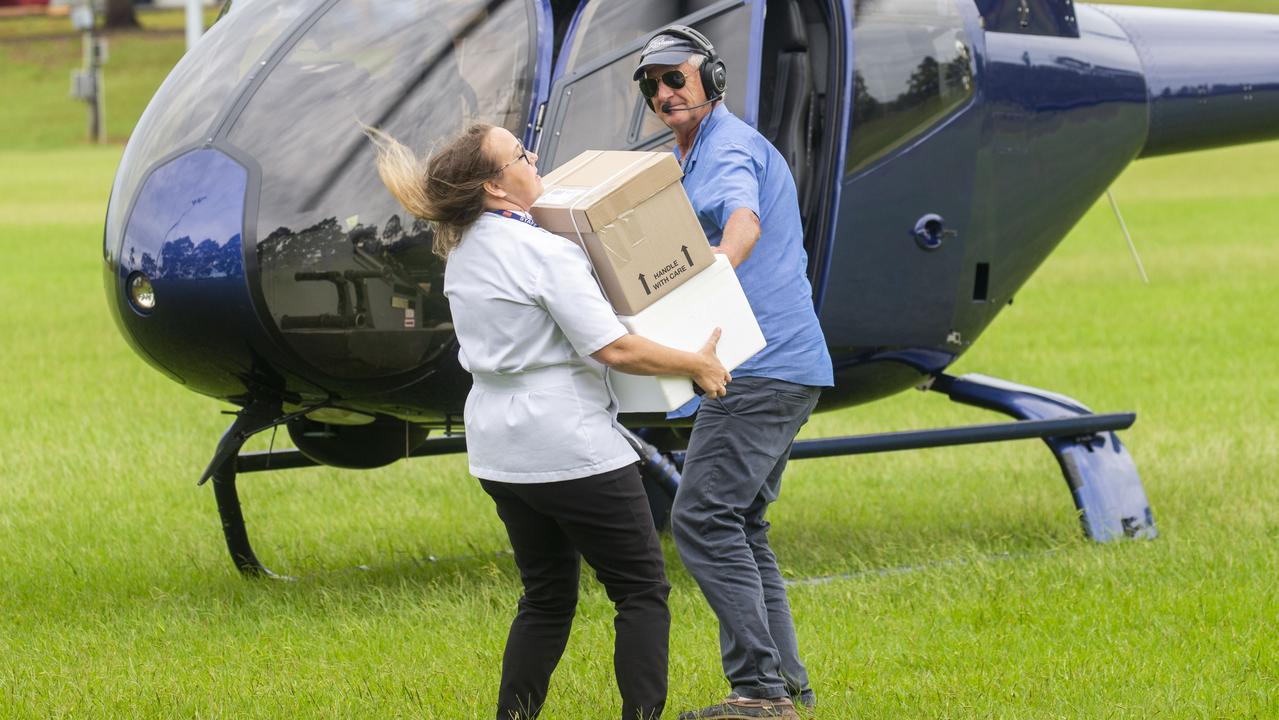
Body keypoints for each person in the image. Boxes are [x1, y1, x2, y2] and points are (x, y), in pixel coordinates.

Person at [366, 122, 733, 720]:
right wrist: (696, 363)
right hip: (569, 443)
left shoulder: (461, 249)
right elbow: (611, 348)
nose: (533, 159)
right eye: (520, 155)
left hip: (499, 451)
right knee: (641, 591)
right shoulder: (543, 252)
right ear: (496, 187)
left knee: (546, 597)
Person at [632, 26, 835, 720]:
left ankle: (758, 693)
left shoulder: (728, 147)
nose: (663, 94)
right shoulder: (684, 156)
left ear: (710, 79)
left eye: (675, 78)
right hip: (778, 365)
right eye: (651, 85)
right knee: (741, 524)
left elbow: (740, 216)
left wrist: (721, 261)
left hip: (758, 366)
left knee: (700, 517)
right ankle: (786, 690)